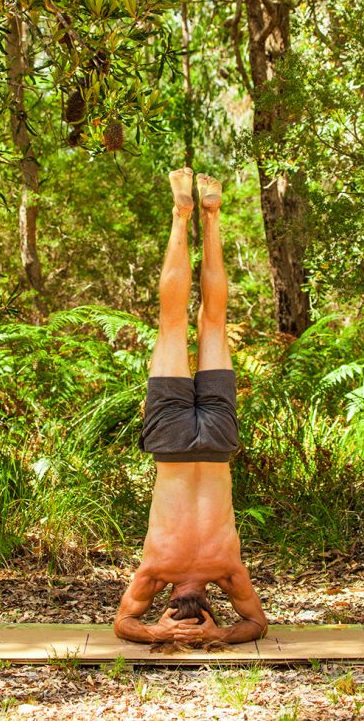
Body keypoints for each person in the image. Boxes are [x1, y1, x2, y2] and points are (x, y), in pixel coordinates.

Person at [114, 167, 268, 646]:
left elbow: (255, 624)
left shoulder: (228, 571)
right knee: (173, 324)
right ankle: (186, 215)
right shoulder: (155, 571)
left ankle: (210, 214)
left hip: (218, 444)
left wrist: (213, 634)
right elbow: (124, 623)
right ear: (176, 603)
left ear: (210, 604)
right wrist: (164, 631)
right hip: (173, 445)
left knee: (214, 325)